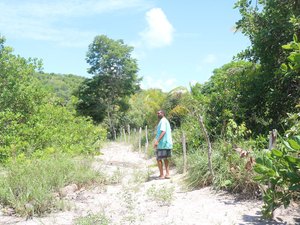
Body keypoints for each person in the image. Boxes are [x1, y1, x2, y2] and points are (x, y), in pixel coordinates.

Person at [153, 110, 173, 179]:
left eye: (159, 113)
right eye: (157, 113)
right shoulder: (164, 121)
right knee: (165, 158)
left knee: (159, 159)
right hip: (165, 143)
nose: (158, 114)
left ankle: (162, 175)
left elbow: (163, 131)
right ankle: (167, 174)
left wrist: (157, 141)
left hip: (163, 143)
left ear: (163, 114)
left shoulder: (163, 121)